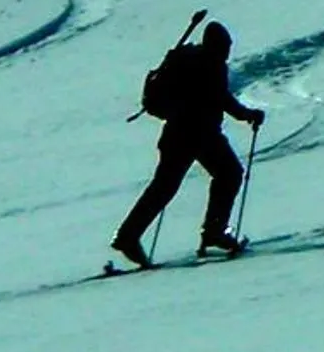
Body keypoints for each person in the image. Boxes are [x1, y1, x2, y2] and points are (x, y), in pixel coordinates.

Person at [113, 20, 265, 264]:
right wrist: (248, 115)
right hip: (200, 134)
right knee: (229, 174)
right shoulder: (210, 65)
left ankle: (129, 236)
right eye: (225, 46)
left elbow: (219, 99)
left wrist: (245, 114)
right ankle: (214, 231)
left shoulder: (190, 60)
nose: (227, 52)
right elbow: (222, 100)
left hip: (177, 134)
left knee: (165, 186)